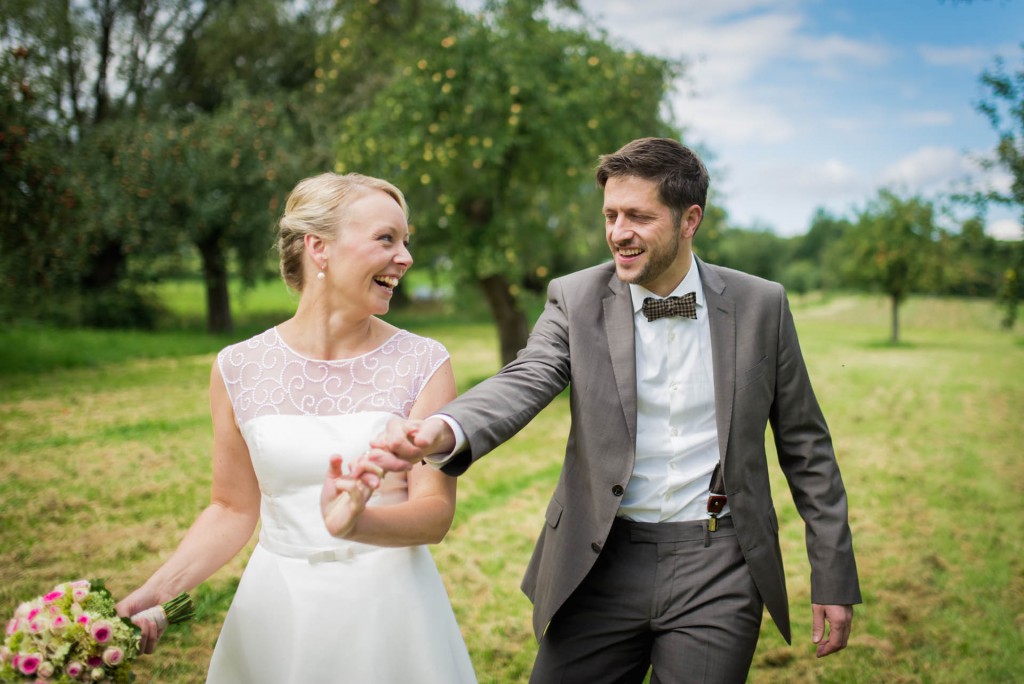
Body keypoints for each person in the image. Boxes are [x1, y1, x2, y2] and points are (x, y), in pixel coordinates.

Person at [370, 138, 861, 683]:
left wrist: (833, 576)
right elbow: (526, 378)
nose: (618, 232)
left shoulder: (760, 304)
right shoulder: (574, 298)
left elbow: (806, 446)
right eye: (610, 215)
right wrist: (442, 430)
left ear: (689, 219)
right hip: (599, 559)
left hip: (718, 563)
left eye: (638, 216)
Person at [116, 172, 477, 683]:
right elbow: (232, 507)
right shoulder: (237, 367)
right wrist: (159, 589)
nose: (406, 257)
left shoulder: (423, 362)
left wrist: (357, 524)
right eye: (386, 239)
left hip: (390, 613)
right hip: (278, 610)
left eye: (406, 241)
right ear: (319, 248)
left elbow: (435, 514)